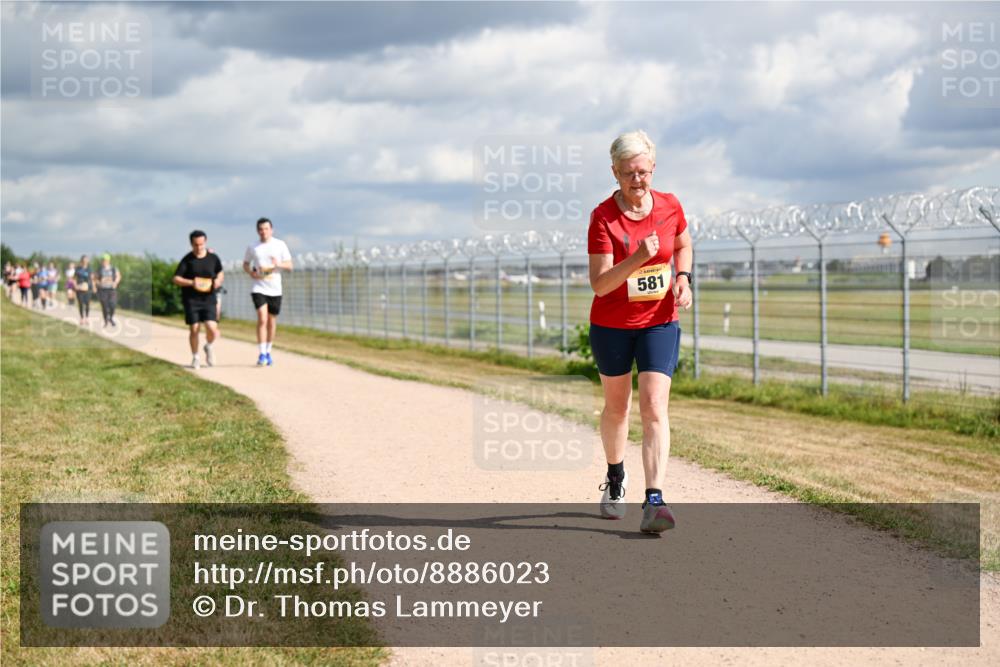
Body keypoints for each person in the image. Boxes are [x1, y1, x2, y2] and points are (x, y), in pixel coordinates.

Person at [587, 130, 693, 534]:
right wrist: (636, 258)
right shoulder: (603, 218)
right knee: (618, 409)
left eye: (644, 172)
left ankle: (655, 500)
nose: (637, 180)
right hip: (612, 325)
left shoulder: (669, 205)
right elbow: (600, 284)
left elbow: (683, 244)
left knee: (654, 406)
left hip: (660, 321)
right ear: (614, 172)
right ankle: (616, 476)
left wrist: (683, 277)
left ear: (653, 169)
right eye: (628, 173)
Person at [242, 217, 292, 366]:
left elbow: (290, 265)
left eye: (266, 229)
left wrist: (279, 264)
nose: (263, 232)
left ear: (272, 230)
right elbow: (245, 264)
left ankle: (269, 350)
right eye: (261, 229)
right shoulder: (253, 247)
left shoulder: (280, 245)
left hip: (275, 288)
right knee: (262, 318)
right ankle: (262, 352)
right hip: (259, 287)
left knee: (271, 321)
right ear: (257, 231)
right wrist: (251, 272)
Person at [173, 230, 224, 369]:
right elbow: (176, 278)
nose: (199, 247)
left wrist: (218, 281)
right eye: (196, 245)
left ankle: (208, 346)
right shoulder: (187, 260)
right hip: (192, 299)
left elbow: (220, 272)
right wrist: (191, 283)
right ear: (191, 244)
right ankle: (195, 357)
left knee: (212, 328)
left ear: (205, 242)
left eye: (201, 244)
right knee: (194, 328)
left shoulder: (213, 258)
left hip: (209, 298)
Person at [96, 253, 120, 327]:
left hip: (111, 289)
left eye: (106, 260)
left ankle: (111, 318)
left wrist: (115, 282)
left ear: (109, 261)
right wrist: (99, 283)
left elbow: (118, 276)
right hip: (103, 290)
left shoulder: (113, 269)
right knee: (104, 305)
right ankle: (106, 320)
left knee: (112, 304)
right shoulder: (99, 269)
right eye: (103, 260)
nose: (104, 262)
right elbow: (95, 278)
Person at [74, 255, 93, 325]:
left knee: (87, 303)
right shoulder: (78, 269)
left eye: (86, 260)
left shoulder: (89, 269)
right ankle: (82, 318)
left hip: (88, 288)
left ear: (88, 261)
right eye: (83, 260)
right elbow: (74, 278)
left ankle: (87, 317)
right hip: (79, 288)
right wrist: (75, 285)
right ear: (81, 261)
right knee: (81, 303)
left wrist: (93, 287)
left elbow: (92, 278)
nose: (85, 261)